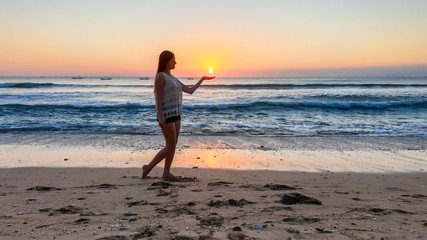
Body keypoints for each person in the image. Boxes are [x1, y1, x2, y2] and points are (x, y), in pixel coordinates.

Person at [142, 50, 215, 180]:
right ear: (167, 61)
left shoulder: (173, 78)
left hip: (176, 114)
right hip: (166, 114)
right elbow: (158, 97)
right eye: (173, 60)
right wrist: (160, 116)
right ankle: (148, 167)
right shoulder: (161, 76)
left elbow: (190, 90)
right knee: (170, 146)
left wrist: (202, 79)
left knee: (173, 145)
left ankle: (166, 172)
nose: (175, 62)